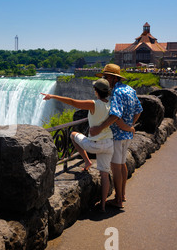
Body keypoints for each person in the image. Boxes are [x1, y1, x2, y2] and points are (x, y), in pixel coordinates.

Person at [42, 78, 117, 212]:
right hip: (109, 144)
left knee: (73, 135)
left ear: (96, 91)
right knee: (104, 175)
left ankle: (87, 161)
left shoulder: (94, 104)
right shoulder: (111, 103)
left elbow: (72, 102)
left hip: (94, 144)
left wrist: (52, 96)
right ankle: (103, 205)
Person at [90, 64, 143, 209]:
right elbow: (139, 110)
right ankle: (123, 195)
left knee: (116, 167)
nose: (104, 79)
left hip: (118, 136)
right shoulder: (129, 89)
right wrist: (130, 125)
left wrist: (100, 128)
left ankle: (118, 200)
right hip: (126, 136)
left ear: (113, 78)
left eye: (105, 77)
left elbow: (115, 115)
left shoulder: (116, 93)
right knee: (122, 164)